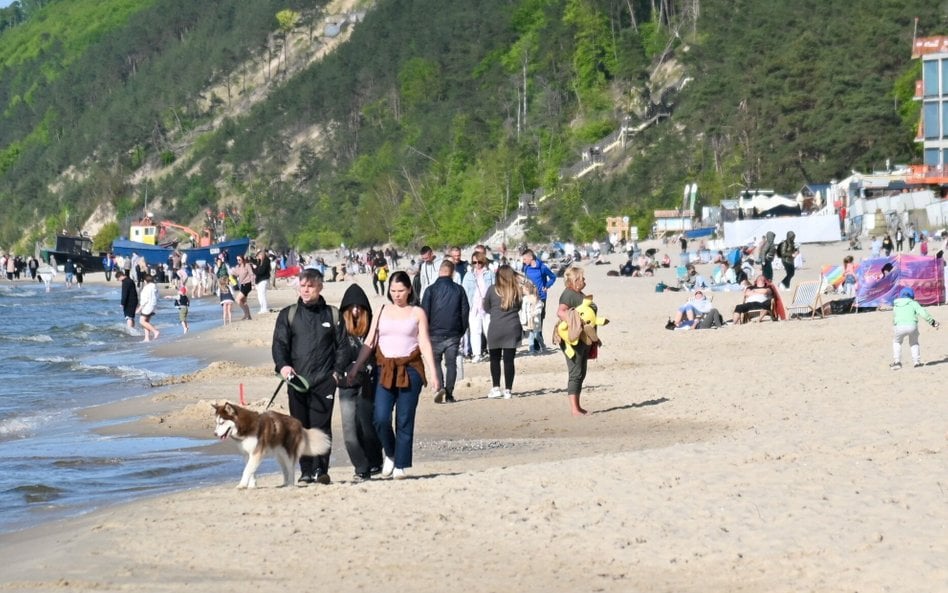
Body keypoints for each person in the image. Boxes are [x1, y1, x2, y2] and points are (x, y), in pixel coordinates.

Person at [357, 271, 439, 479]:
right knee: (380, 418)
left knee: (404, 418)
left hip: (410, 368)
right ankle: (391, 453)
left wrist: (434, 373)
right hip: (384, 368)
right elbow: (370, 340)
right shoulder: (382, 310)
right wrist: (356, 366)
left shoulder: (417, 312)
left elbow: (425, 343)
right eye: (393, 291)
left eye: (401, 291)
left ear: (409, 289)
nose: (397, 295)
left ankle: (401, 464)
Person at [272, 269, 347, 485]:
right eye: (302, 285)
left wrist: (336, 372)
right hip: (297, 381)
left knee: (321, 426)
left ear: (320, 287)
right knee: (300, 426)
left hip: (325, 380)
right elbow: (279, 344)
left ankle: (320, 470)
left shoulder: (332, 314)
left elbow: (342, 347)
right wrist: (284, 366)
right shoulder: (289, 314)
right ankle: (305, 471)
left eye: (310, 286)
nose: (306, 289)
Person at [338, 283, 383, 481]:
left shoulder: (372, 325)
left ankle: (375, 461)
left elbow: (378, 353)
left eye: (359, 307)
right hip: (346, 382)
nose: (356, 311)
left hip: (368, 381)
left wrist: (368, 367)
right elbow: (335, 353)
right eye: (352, 307)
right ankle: (361, 467)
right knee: (349, 429)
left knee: (367, 425)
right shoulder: (339, 328)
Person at [421, 259, 469, 404]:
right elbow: (465, 312)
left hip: (434, 332)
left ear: (439, 271)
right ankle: (449, 394)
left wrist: (425, 331)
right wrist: (462, 330)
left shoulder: (430, 290)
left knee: (436, 362)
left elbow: (424, 313)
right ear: (452, 273)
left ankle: (440, 387)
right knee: (451, 364)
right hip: (453, 332)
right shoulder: (459, 289)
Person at [556, 266, 596, 416]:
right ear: (575, 280)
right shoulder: (568, 294)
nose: (584, 280)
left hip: (583, 338)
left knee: (581, 372)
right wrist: (576, 322)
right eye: (582, 278)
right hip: (573, 339)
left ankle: (577, 407)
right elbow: (560, 312)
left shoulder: (577, 293)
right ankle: (574, 409)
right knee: (575, 372)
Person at [483, 265, 523, 399]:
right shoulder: (516, 290)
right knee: (509, 360)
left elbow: (486, 307)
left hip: (496, 327)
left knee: (494, 359)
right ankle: (508, 390)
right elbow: (519, 307)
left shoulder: (491, 289)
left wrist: (496, 313)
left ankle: (496, 388)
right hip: (512, 327)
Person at [890, 287, 939, 370]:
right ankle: (917, 363)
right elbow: (923, 313)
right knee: (914, 343)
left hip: (899, 326)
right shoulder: (913, 303)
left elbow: (894, 317)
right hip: (912, 325)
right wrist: (933, 322)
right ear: (912, 296)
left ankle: (897, 362)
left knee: (897, 342)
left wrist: (895, 325)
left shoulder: (896, 304)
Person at [520, 249, 556, 352]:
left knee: (539, 321)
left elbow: (553, 277)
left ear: (531, 257)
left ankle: (538, 343)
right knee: (530, 320)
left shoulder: (542, 267)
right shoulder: (526, 268)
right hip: (529, 298)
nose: (523, 261)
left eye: (525, 258)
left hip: (541, 297)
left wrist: (547, 286)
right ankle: (536, 345)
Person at [520, 281, 544, 354]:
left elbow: (540, 307)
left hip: (535, 321)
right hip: (528, 321)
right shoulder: (524, 299)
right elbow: (523, 309)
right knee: (531, 335)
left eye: (523, 288)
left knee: (537, 336)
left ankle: (542, 346)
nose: (522, 290)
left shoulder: (535, 298)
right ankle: (531, 350)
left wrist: (534, 313)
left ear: (527, 289)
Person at [137, 273, 159, 342]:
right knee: (146, 321)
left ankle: (155, 331)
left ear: (145, 281)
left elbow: (145, 299)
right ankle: (146, 338)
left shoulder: (147, 288)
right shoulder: (154, 287)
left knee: (142, 321)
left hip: (148, 306)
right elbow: (157, 296)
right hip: (153, 305)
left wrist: (139, 308)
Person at [233, 255, 254, 320]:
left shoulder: (247, 265)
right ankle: (249, 316)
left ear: (242, 259)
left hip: (247, 284)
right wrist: (232, 272)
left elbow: (251, 274)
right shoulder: (238, 267)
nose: (238, 261)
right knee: (244, 301)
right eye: (237, 260)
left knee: (237, 299)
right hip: (242, 285)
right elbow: (235, 274)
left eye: (239, 259)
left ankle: (246, 314)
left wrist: (253, 284)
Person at [252, 249, 271, 314]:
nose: (258, 256)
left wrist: (254, 270)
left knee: (262, 294)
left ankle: (264, 308)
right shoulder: (260, 261)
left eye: (259, 255)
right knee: (260, 295)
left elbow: (261, 271)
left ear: (262, 254)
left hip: (263, 279)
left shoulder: (266, 261)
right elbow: (257, 270)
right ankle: (262, 308)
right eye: (257, 255)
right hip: (259, 280)